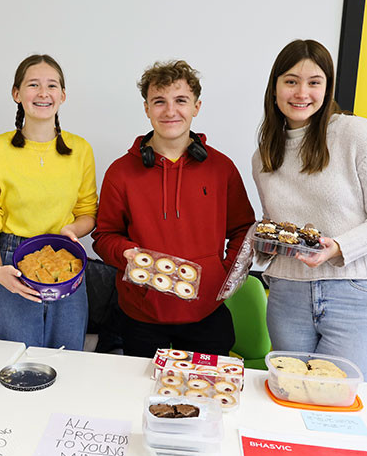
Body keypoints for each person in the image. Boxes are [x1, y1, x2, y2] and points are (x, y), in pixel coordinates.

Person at [0, 54, 97, 456]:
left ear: (63, 95)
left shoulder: (80, 149)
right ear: (16, 93)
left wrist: (74, 232)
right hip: (9, 261)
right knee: (14, 369)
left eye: (52, 85)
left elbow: (88, 209)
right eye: (32, 84)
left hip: (66, 264)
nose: (43, 92)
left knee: (66, 365)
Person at [252, 39, 367, 383]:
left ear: (328, 87)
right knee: (293, 398)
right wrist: (263, 241)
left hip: (354, 290)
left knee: (341, 404)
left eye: (314, 82)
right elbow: (278, 230)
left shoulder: (358, 135)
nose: (301, 93)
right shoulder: (264, 156)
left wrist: (337, 248)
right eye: (291, 81)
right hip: (288, 294)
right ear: (275, 87)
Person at [92, 60, 255, 360]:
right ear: (146, 109)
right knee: (139, 400)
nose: (170, 111)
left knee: (205, 401)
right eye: (159, 102)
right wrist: (125, 253)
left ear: (197, 107)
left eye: (181, 100)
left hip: (207, 313)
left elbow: (244, 229)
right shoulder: (120, 172)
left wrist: (223, 275)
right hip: (140, 316)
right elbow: (104, 236)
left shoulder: (222, 168)